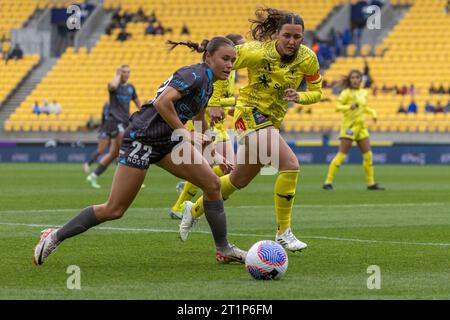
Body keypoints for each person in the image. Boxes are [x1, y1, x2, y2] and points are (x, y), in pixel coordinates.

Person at [32, 36, 247, 266]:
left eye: (233, 60)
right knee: (114, 209)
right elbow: (161, 103)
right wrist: (184, 133)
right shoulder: (194, 75)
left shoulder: (208, 83)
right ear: (208, 56)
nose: (229, 65)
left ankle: (223, 249)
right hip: (142, 138)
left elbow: (200, 119)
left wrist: (215, 154)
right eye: (225, 59)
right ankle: (54, 236)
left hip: (167, 141)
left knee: (213, 185)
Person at [178, 8, 323, 252]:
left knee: (238, 179)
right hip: (249, 114)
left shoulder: (308, 58)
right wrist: (212, 103)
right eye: (287, 35)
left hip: (272, 120)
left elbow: (318, 92)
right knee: (290, 164)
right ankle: (283, 233)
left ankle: (192, 210)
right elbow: (218, 66)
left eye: (297, 37)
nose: (292, 41)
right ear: (276, 34)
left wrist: (300, 96)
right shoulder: (254, 52)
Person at [169, 34, 245, 219]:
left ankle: (194, 183)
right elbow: (210, 102)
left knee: (229, 168)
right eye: (242, 47)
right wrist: (235, 100)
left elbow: (218, 103)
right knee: (225, 168)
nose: (245, 51)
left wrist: (234, 107)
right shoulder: (215, 73)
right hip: (207, 124)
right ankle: (183, 202)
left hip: (217, 126)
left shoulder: (230, 71)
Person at [323, 69, 384, 191]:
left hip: (361, 127)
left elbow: (364, 107)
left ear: (361, 79)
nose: (355, 80)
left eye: (357, 77)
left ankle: (370, 183)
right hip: (349, 128)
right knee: (341, 155)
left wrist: (373, 113)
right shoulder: (346, 93)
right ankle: (328, 182)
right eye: (353, 78)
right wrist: (348, 107)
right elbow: (337, 107)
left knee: (368, 155)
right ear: (350, 80)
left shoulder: (364, 92)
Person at [86, 65, 141, 188]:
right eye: (124, 72)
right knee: (126, 147)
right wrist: (117, 75)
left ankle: (93, 176)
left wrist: (144, 113)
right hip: (115, 122)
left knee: (113, 153)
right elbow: (113, 86)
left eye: (128, 72)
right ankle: (129, 179)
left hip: (125, 121)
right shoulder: (114, 85)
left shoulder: (131, 88)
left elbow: (138, 103)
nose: (126, 74)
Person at [83, 102, 111, 174]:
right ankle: (87, 164)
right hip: (106, 130)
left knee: (116, 152)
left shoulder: (118, 104)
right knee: (100, 150)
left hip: (114, 130)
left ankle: (124, 172)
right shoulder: (108, 105)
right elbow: (106, 118)